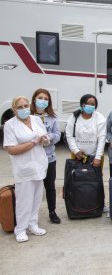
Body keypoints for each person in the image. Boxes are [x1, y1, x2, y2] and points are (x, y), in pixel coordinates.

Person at [4, 96, 50, 243]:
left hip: (39, 164)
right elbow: (11, 149)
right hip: (24, 168)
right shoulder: (10, 125)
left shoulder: (36, 119)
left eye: (25, 106)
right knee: (24, 200)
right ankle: (21, 229)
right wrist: (33, 142)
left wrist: (44, 140)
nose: (24, 109)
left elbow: (44, 138)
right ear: (14, 109)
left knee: (37, 197)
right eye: (20, 107)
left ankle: (32, 224)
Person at [30, 89, 61, 224]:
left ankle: (52, 211)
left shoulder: (52, 117)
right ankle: (31, 215)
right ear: (34, 99)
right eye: (40, 98)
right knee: (33, 188)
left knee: (50, 186)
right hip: (33, 159)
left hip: (49, 158)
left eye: (46, 99)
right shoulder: (28, 117)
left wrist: (49, 137)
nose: (43, 101)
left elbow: (58, 135)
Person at [65, 94, 106, 168]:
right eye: (87, 103)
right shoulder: (74, 117)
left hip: (94, 158)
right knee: (76, 177)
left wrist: (98, 157)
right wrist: (76, 151)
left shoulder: (99, 118)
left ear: (95, 106)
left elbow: (102, 138)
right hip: (77, 156)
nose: (89, 106)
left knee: (94, 178)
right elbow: (69, 136)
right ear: (82, 104)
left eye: (92, 104)